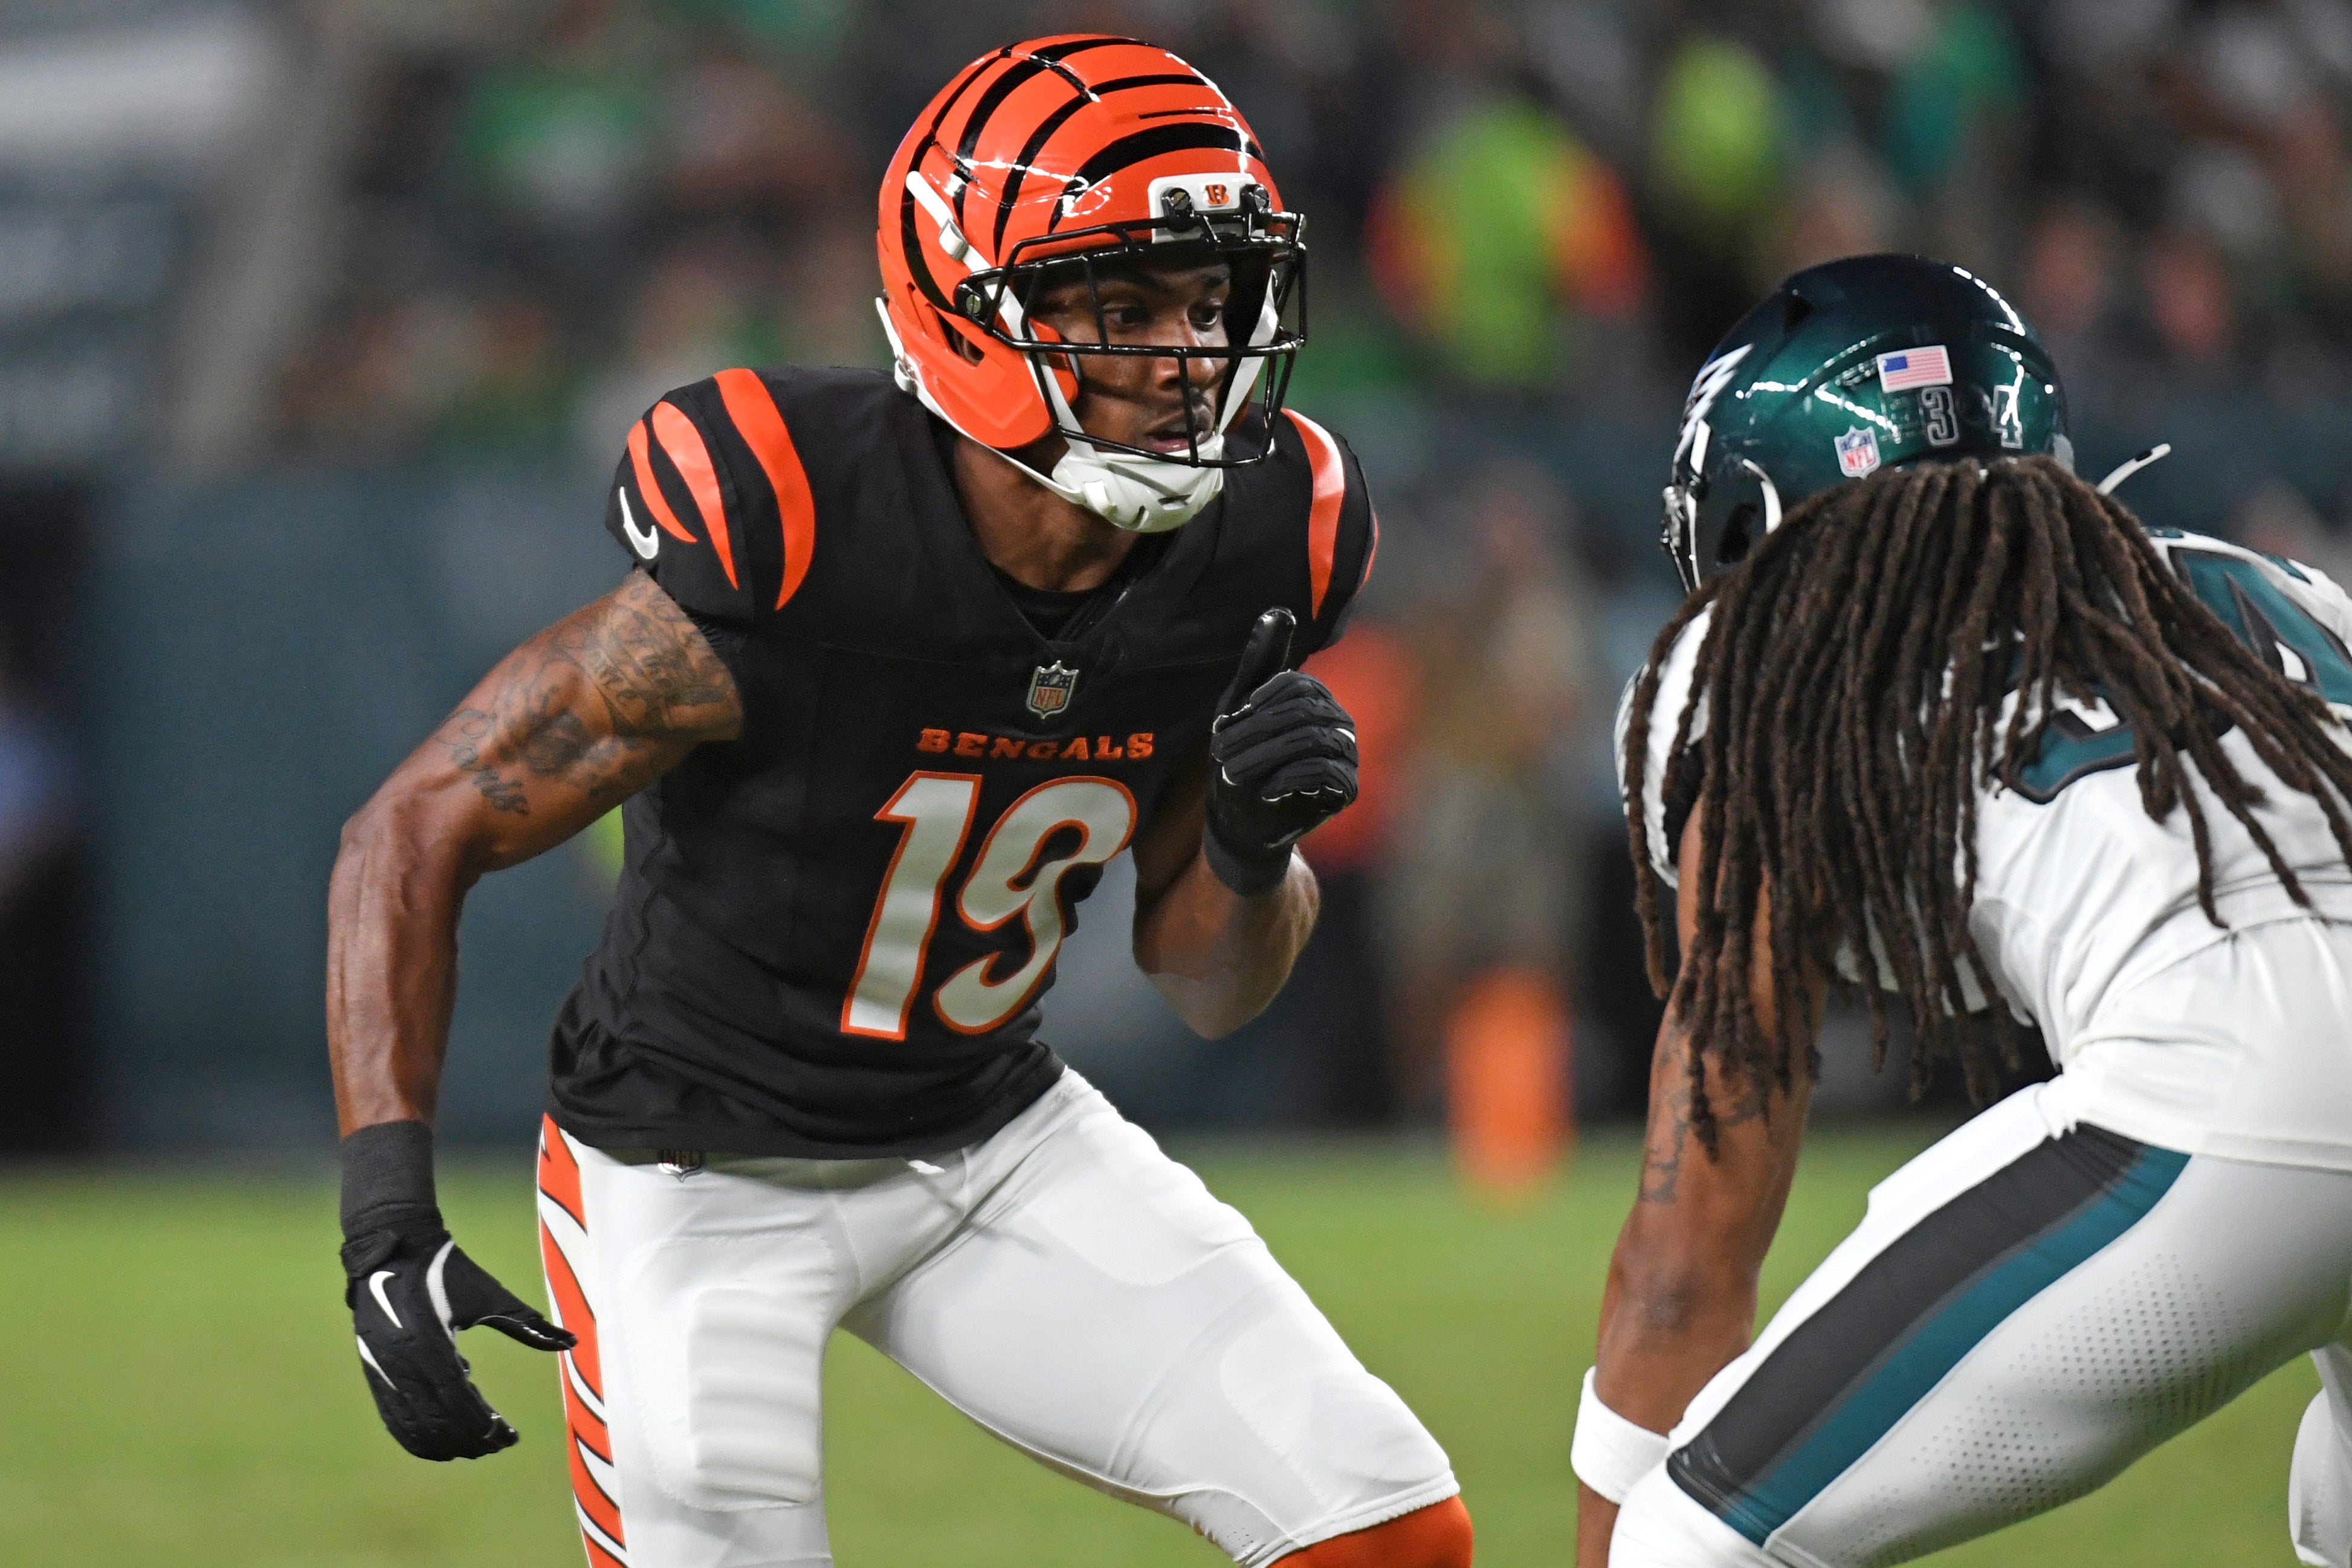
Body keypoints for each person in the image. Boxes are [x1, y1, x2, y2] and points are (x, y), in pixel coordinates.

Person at [325, 36, 1472, 1568]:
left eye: (1209, 304)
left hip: (989, 1139)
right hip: (691, 1179)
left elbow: (1206, 980)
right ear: (965, 315)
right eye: (1121, 309)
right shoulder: (796, 520)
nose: (1187, 357)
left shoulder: (1263, 538)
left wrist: (1259, 853)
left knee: (1384, 1526)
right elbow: (413, 826)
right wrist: (385, 1220)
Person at [1575, 253, 2352, 1567]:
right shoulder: (2274, 587)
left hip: (2224, 1103)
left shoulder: (1769, 664)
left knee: (1688, 1539)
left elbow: (1686, 1257)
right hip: (2257, 1086)